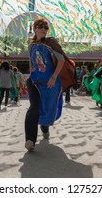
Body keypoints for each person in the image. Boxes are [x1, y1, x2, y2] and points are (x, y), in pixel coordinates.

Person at [24, 18, 65, 152]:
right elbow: (32, 65)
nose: (43, 29)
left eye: (45, 27)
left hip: (50, 82)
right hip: (35, 82)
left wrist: (54, 77)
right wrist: (31, 77)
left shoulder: (51, 42)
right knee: (34, 107)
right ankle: (30, 140)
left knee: (47, 108)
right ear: (35, 28)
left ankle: (44, 127)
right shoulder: (31, 46)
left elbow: (61, 60)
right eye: (40, 27)